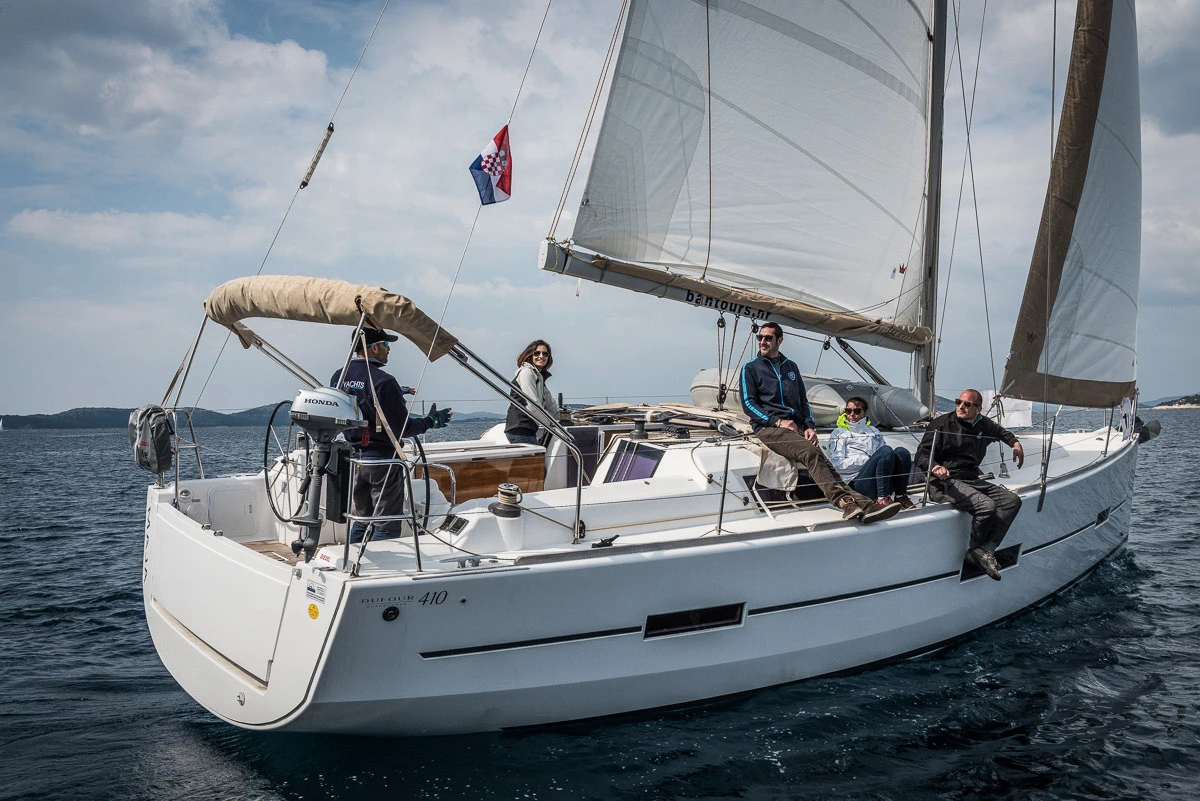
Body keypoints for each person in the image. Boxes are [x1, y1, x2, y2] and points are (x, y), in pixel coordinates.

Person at [741, 323, 900, 524]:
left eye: (768, 338)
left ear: (779, 341)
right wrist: (777, 421)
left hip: (796, 428)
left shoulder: (791, 368)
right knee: (810, 454)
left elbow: (802, 402)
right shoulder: (751, 368)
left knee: (825, 462)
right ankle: (843, 502)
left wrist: (809, 426)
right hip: (769, 428)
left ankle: (865, 505)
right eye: (760, 337)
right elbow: (748, 404)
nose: (762, 341)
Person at [331, 328, 452, 543]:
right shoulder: (384, 381)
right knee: (387, 523)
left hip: (356, 460)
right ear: (374, 347)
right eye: (387, 345)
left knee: (362, 519)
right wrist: (431, 422)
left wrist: (398, 393)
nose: (389, 350)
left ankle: (353, 561)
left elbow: (361, 401)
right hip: (382, 462)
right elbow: (402, 428)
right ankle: (380, 570)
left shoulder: (339, 376)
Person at [915, 388, 1025, 581]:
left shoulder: (983, 424)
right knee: (987, 506)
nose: (961, 407)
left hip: (971, 479)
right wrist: (935, 467)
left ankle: (987, 549)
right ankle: (975, 551)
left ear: (978, 409)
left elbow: (1001, 432)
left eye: (967, 404)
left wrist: (1015, 444)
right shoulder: (940, 424)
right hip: (944, 482)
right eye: (958, 402)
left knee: (1012, 501)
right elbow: (921, 455)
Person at [827, 396, 916, 509]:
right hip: (856, 482)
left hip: (880, 480)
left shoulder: (874, 432)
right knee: (885, 451)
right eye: (848, 411)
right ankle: (882, 498)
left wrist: (876, 460)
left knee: (902, 452)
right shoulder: (839, 433)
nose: (851, 414)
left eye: (857, 411)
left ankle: (900, 495)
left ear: (865, 413)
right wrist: (868, 460)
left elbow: (886, 459)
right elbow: (837, 465)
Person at [505, 339, 559, 446]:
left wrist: (563, 418)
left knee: (538, 459)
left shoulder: (539, 377)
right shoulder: (527, 373)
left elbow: (550, 404)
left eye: (545, 354)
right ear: (530, 355)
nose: (541, 356)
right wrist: (549, 423)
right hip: (520, 429)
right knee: (537, 460)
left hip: (527, 429)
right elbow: (532, 404)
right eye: (537, 353)